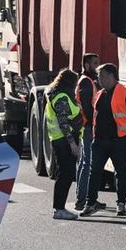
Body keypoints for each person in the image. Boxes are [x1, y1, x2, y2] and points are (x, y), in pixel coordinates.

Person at [82, 64, 126, 217]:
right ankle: (90, 203)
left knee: (121, 173)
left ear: (111, 76)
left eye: (101, 76)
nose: (99, 79)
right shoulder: (100, 93)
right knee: (94, 172)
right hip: (100, 140)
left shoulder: (125, 92)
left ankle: (121, 204)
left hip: (119, 140)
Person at [44, 69, 83, 220]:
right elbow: (63, 122)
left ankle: (60, 208)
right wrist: (72, 144)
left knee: (66, 174)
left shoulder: (60, 94)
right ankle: (59, 209)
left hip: (62, 140)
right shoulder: (61, 97)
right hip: (64, 141)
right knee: (65, 175)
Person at [73, 53, 100, 213]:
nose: (97, 66)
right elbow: (87, 106)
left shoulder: (89, 81)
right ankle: (82, 200)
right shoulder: (86, 81)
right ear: (87, 65)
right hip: (89, 126)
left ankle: (86, 198)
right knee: (87, 163)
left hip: (88, 126)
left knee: (85, 162)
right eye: (95, 63)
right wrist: (93, 122)